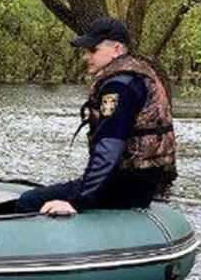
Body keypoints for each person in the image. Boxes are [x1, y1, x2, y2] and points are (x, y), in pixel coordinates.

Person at [15, 17, 175, 215]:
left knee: (28, 201)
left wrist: (76, 202)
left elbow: (109, 147)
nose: (86, 57)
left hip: (126, 186)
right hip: (144, 182)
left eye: (93, 50)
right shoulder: (136, 75)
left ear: (116, 49)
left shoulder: (119, 86)